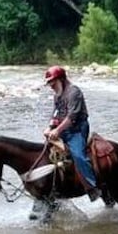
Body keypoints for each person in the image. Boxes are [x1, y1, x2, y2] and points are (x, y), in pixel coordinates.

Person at [42, 65, 101, 202]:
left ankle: (92, 187)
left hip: (77, 129)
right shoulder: (58, 94)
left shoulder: (74, 92)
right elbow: (56, 113)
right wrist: (50, 127)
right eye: (49, 83)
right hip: (63, 129)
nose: (50, 85)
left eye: (52, 82)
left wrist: (57, 130)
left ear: (61, 79)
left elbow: (72, 117)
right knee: (45, 151)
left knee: (78, 155)